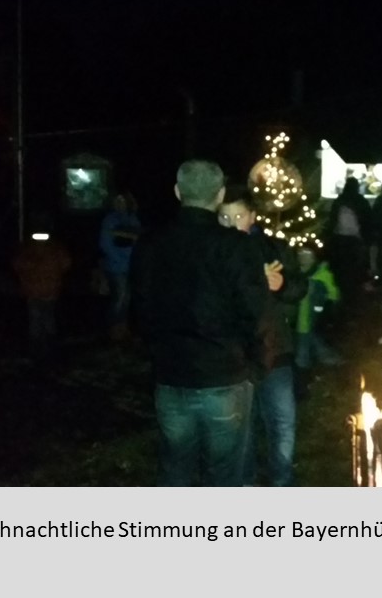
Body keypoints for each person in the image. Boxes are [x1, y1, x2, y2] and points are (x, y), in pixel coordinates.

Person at [130, 159, 267, 487]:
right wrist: (255, 362)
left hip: (171, 375)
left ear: (178, 192)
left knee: (175, 468)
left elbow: (140, 308)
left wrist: (157, 349)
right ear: (220, 195)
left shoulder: (150, 244)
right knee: (224, 474)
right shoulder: (236, 246)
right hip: (224, 375)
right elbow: (255, 311)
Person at [218, 183, 307, 487]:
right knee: (242, 428)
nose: (232, 225)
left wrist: (282, 285)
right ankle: (246, 485)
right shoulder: (215, 251)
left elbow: (299, 286)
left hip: (275, 348)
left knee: (283, 423)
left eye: (238, 216)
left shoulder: (273, 248)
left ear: (253, 216)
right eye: (224, 218)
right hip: (236, 354)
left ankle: (282, 482)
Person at [12, 213, 72, 363]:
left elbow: (17, 265)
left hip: (32, 291)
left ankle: (36, 350)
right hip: (50, 290)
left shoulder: (27, 248)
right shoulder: (55, 247)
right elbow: (66, 263)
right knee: (48, 318)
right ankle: (50, 348)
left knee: (35, 320)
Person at [325, 176, 373, 312]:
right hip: (355, 241)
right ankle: (354, 302)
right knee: (355, 272)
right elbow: (368, 220)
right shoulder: (361, 201)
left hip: (340, 241)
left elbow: (332, 221)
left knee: (342, 271)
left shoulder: (339, 201)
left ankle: (342, 301)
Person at [294, 245, 344, 374]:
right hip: (299, 317)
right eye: (301, 254)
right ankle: (327, 358)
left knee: (305, 345)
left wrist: (325, 307)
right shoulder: (296, 273)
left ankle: (303, 372)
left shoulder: (322, 274)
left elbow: (333, 294)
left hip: (313, 316)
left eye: (307, 255)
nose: (304, 258)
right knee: (311, 338)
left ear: (314, 257)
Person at [98, 192, 141, 340]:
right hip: (116, 267)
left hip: (131, 266)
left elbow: (139, 240)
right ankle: (113, 329)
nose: (119, 203)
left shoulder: (133, 219)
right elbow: (105, 244)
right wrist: (119, 259)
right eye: (117, 201)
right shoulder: (110, 220)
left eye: (122, 200)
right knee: (119, 298)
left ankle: (122, 329)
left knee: (127, 299)